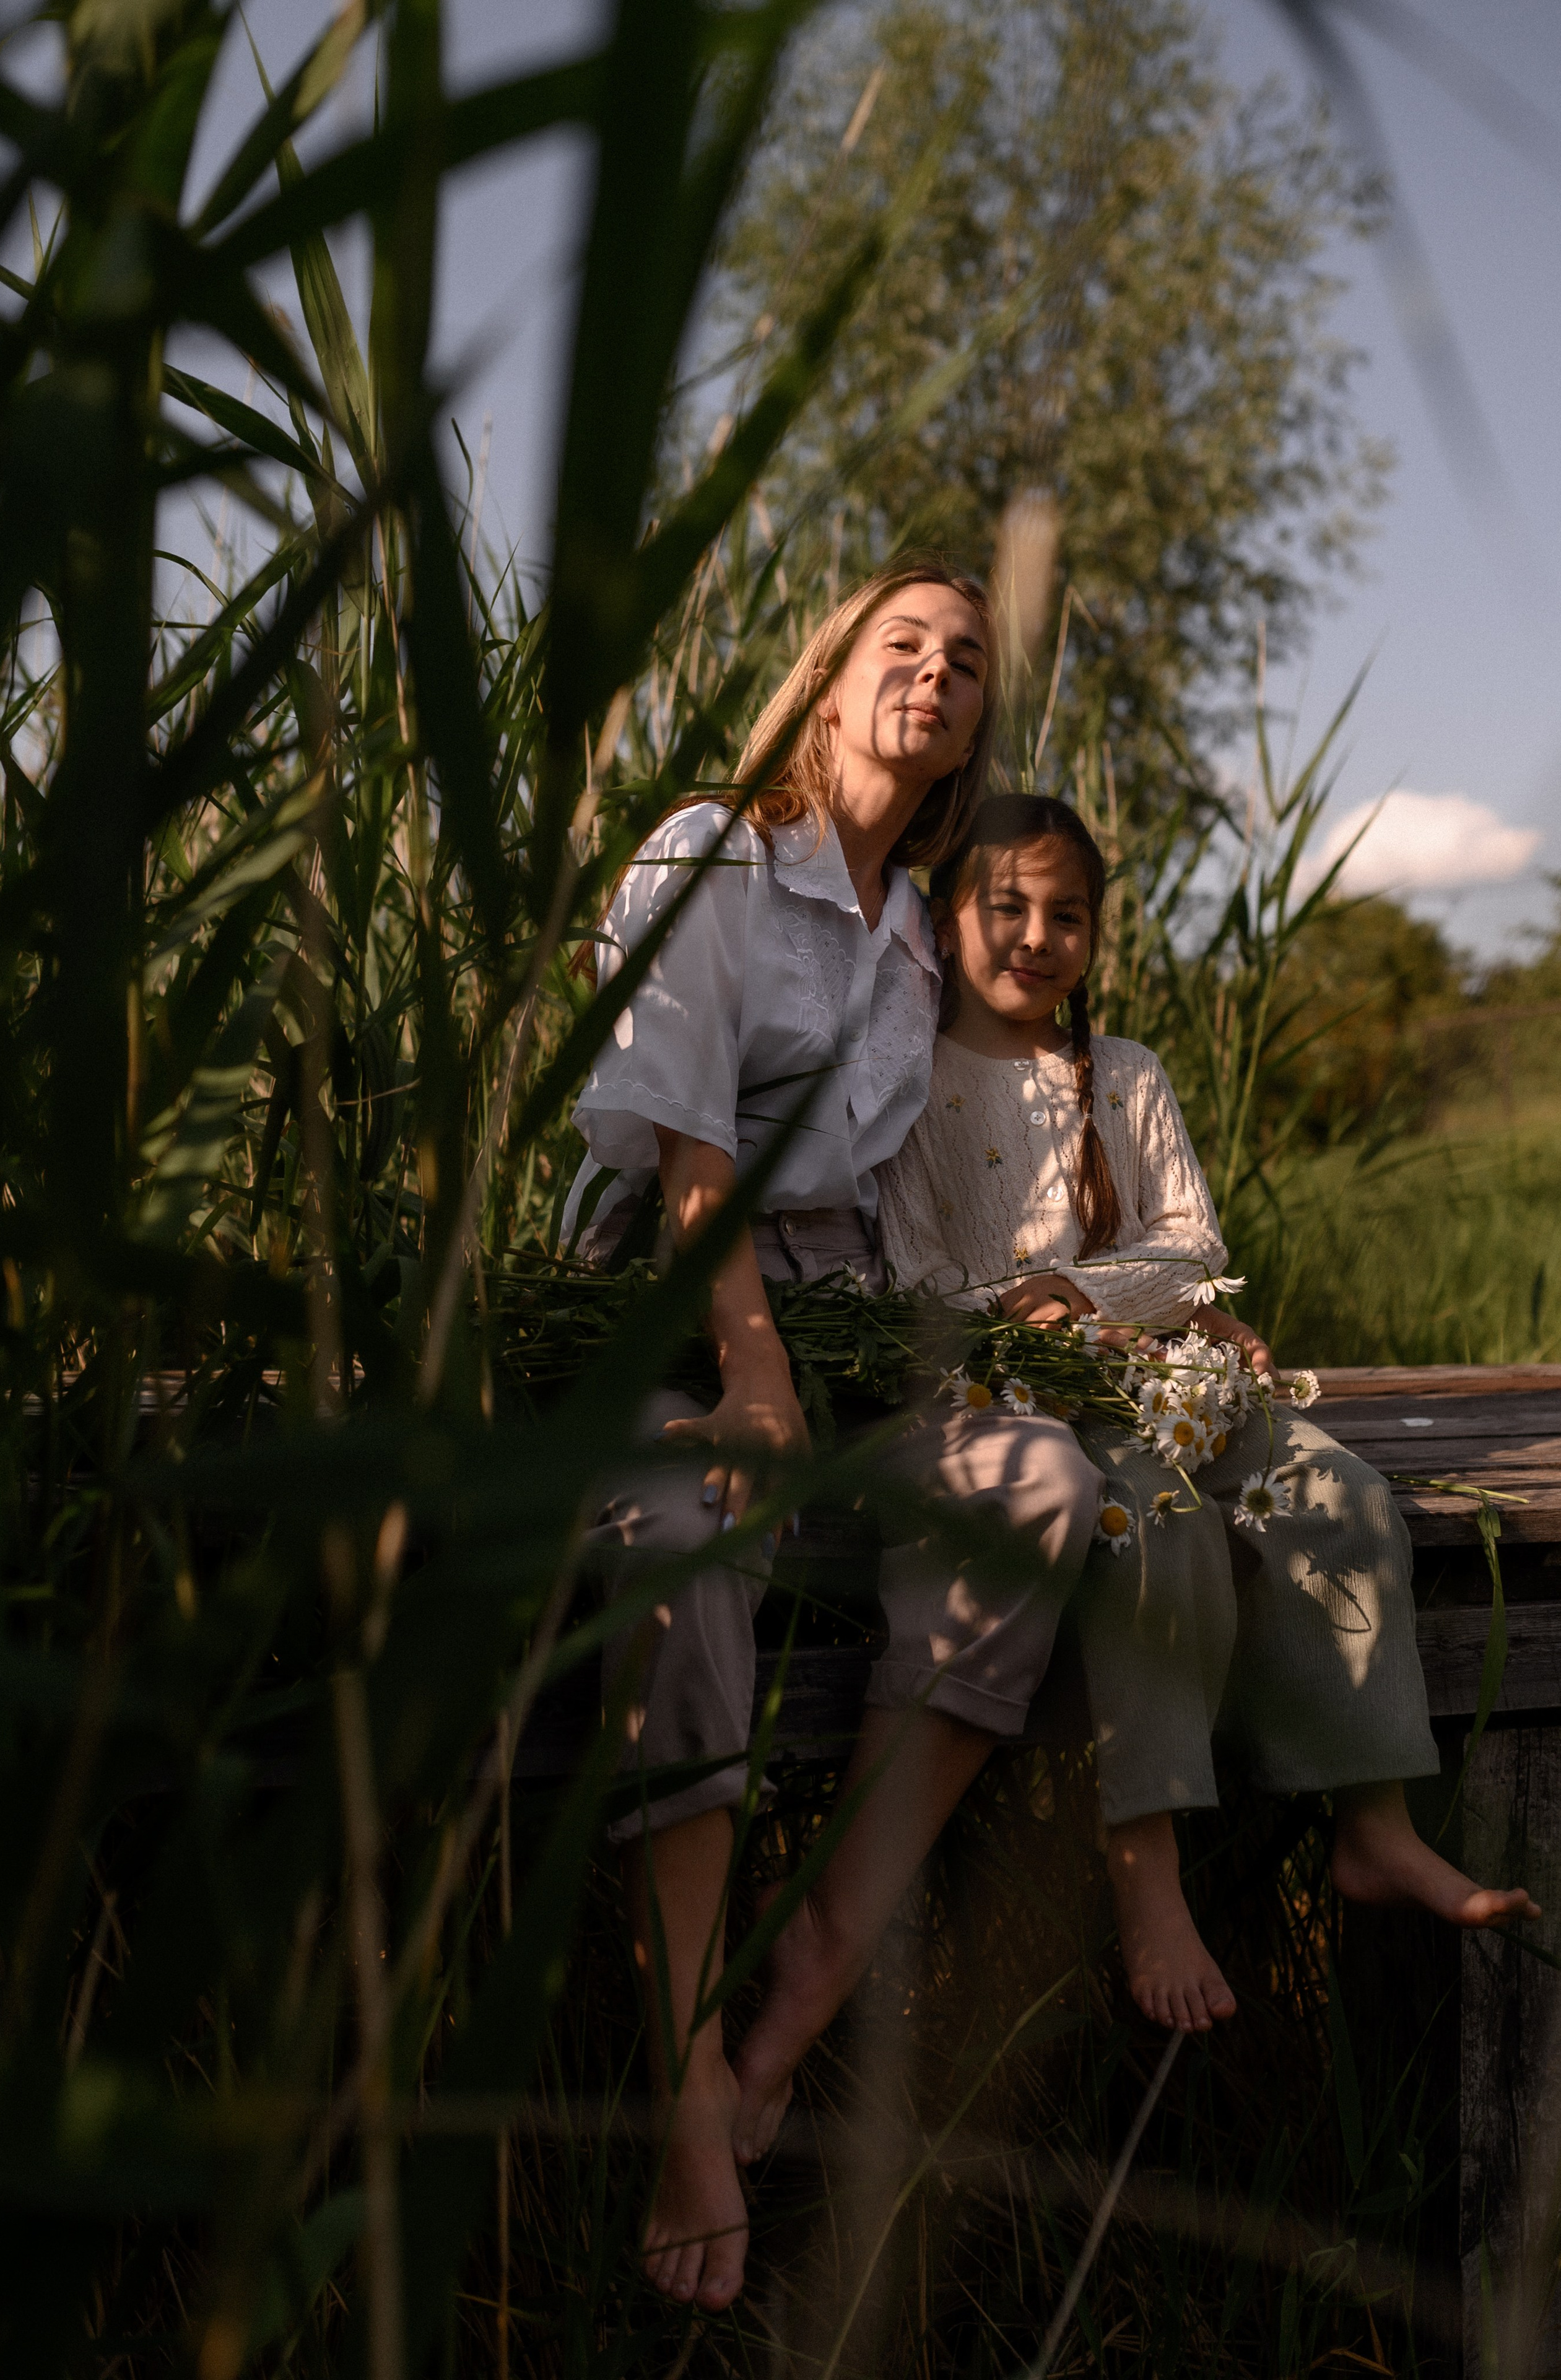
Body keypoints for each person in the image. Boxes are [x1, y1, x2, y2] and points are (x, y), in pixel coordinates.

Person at [728, 793, 1537, 2150]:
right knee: (1150, 1526)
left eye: (1067, 914)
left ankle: (1372, 1812)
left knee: (1341, 1499)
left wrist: (1084, 1288)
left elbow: (1192, 1244)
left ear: (1096, 934)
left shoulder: (1128, 1074)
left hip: (1173, 1374)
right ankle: (1144, 1858)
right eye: (1006, 905)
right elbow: (920, 1287)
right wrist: (1056, 1308)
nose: (1037, 936)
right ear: (944, 913)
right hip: (1040, 1404)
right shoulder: (910, 1087)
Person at [567, 568, 1107, 2314]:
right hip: (667, 1299)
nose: (937, 673)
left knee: (1035, 1486)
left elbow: (905, 1189)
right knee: (683, 1527)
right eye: (905, 644)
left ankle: (798, 1986)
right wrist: (751, 1368)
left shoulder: (909, 933)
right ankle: (687, 2086)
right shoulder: (713, 856)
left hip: (848, 1324)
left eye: (965, 662)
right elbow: (684, 1147)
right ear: (829, 682)